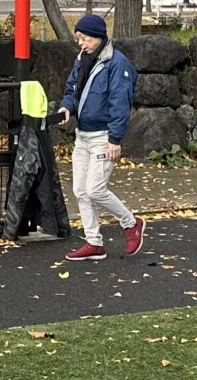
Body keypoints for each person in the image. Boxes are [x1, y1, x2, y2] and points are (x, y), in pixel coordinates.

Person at [55, 13, 143, 262]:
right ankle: (94, 242)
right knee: (80, 190)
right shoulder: (82, 59)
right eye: (79, 38)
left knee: (94, 189)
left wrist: (115, 139)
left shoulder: (117, 64)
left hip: (103, 136)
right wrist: (67, 107)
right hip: (82, 135)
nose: (81, 43)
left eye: (84, 38)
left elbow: (120, 103)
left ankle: (131, 223)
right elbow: (72, 88)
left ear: (98, 37)